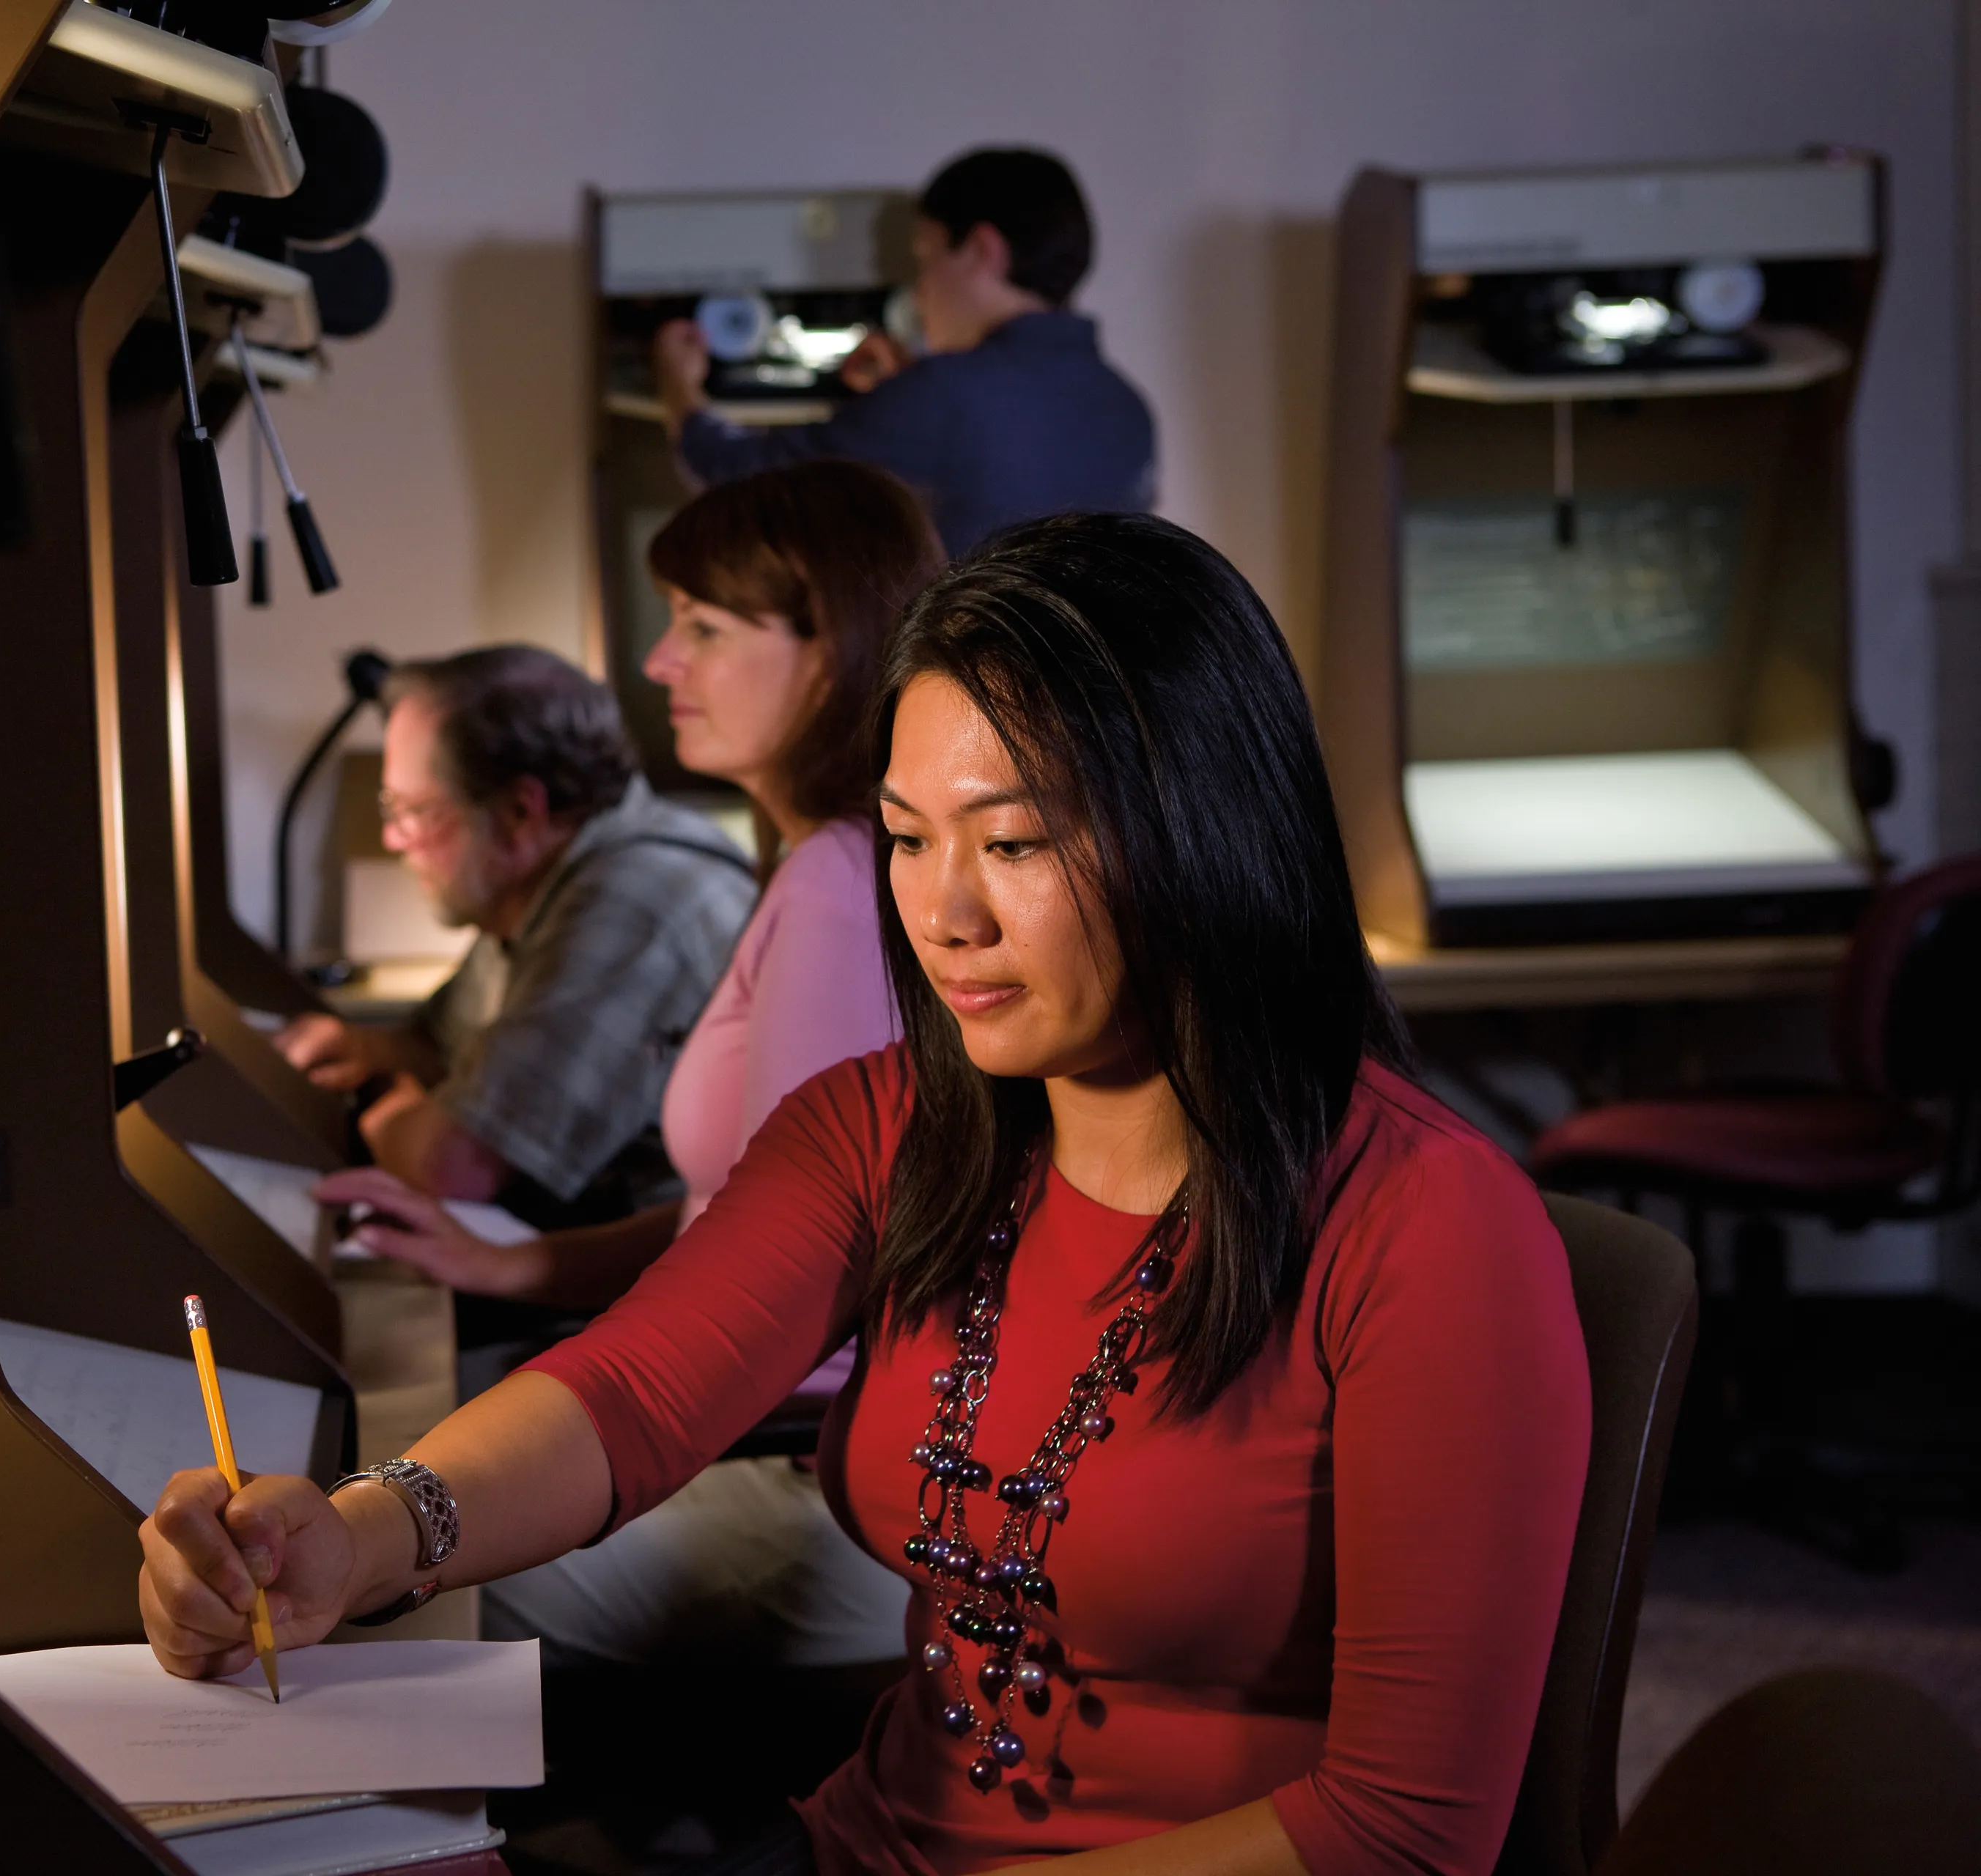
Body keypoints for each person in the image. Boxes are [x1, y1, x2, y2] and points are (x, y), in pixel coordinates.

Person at [147, 512, 1593, 1876]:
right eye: (908, 837)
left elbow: (1406, 1828)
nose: (945, 912)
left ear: (1201, 829)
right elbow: (635, 1392)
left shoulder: (1430, 1228)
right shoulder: (891, 1118)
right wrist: (359, 1532)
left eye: (1013, 841)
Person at [317, 460, 944, 1671]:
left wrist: (398, 1522)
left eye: (702, 629)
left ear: (831, 649)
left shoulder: (830, 885)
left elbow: (775, 1300)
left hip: (802, 1473)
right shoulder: (820, 865)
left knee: (385, 1624)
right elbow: (750, 1220)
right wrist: (526, 1264)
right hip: (772, 1432)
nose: (661, 665)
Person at [273, 645, 753, 1233]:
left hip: (639, 1289)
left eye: (414, 810)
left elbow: (452, 1167)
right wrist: (363, 1049)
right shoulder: (540, 887)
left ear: (520, 813)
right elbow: (444, 1045)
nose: (395, 839)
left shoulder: (632, 906)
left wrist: (387, 1109)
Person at [654, 147, 1156, 558]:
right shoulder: (1130, 412)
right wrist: (906, 391)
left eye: (926, 259)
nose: (919, 293)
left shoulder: (944, 395)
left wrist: (680, 385)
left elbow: (742, 486)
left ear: (982, 249)